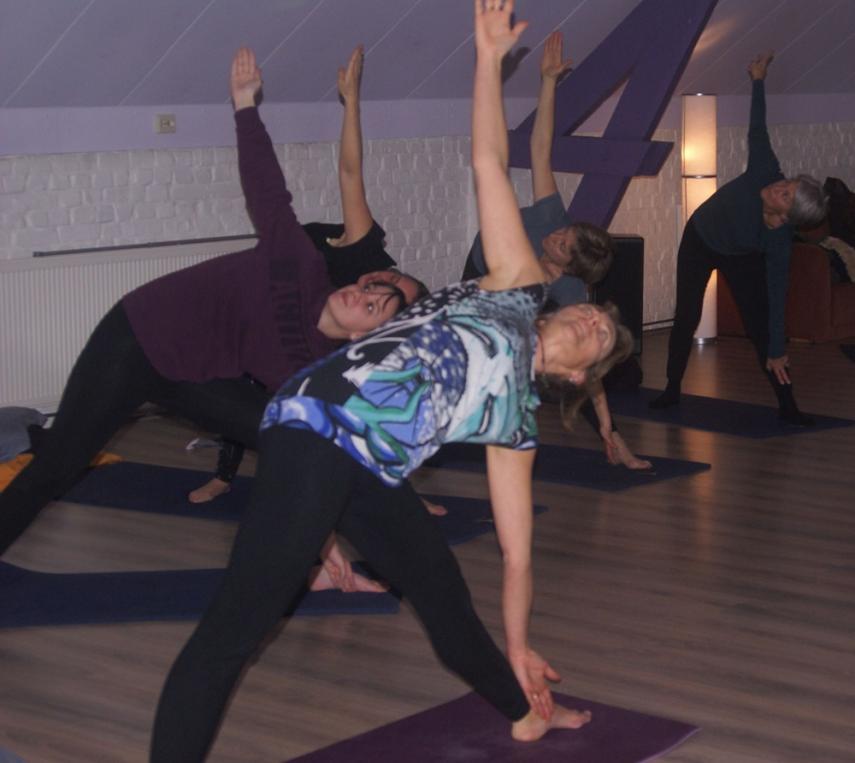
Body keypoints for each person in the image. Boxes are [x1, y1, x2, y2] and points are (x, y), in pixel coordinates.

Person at [150, 12, 633, 759]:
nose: (591, 322)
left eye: (598, 336)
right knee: (234, 630)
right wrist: (485, 60)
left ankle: (524, 707)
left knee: (440, 589)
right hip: (318, 428)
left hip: (364, 463)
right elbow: (486, 161)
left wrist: (519, 645)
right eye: (595, 313)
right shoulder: (515, 286)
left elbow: (517, 557)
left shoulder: (515, 427)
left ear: (575, 374)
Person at [0, 47, 414, 562]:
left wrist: (327, 547)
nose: (363, 294)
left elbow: (315, 443)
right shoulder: (301, 262)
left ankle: (324, 561)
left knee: (295, 437)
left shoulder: (309, 366)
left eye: (373, 308)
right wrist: (245, 105)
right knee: (58, 466)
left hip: (187, 374)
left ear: (360, 338)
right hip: (137, 338)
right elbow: (268, 191)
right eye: (372, 289)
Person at [188, 46, 430, 508]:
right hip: (265, 300)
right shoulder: (365, 248)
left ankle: (386, 493)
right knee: (236, 380)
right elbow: (350, 172)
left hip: (298, 339)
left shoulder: (360, 315)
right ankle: (225, 473)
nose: (384, 281)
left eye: (393, 294)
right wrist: (352, 102)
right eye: (394, 277)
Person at [460, 30, 650, 470]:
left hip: (514, 297)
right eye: (566, 234)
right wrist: (548, 82)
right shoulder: (553, 217)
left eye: (563, 247)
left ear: (567, 269)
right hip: (477, 269)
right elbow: (540, 150)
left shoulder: (567, 295)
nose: (556, 237)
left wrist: (609, 427)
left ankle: (610, 439)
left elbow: (592, 370)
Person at [650, 52, 827, 423]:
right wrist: (758, 80)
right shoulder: (765, 169)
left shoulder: (777, 243)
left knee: (759, 325)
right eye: (786, 183)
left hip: (741, 252)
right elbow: (757, 130)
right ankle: (670, 389)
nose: (779, 185)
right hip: (701, 237)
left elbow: (778, 298)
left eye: (785, 194)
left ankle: (788, 405)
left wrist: (777, 349)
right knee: (687, 315)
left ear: (786, 217)